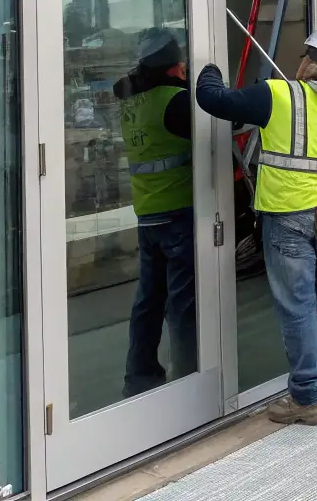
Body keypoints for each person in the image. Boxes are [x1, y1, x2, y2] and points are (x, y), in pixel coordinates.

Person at [195, 25, 317, 425]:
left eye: (305, 54)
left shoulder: (279, 94)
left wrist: (209, 69)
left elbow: (213, 99)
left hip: (288, 217)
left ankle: (308, 398)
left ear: (313, 61)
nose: (299, 61)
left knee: (298, 306)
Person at [115, 27, 198, 396]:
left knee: (149, 300)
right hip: (179, 213)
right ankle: (188, 377)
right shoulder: (175, 101)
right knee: (182, 304)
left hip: (148, 215)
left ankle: (140, 375)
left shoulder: (132, 102)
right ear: (173, 66)